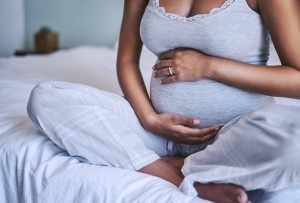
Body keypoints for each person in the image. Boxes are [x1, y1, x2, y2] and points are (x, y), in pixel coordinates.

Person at [27, 0, 300, 203]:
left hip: (234, 133)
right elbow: (126, 60)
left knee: (294, 141)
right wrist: (149, 118)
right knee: (47, 97)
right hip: (159, 133)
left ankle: (186, 164)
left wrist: (208, 66)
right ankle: (177, 175)